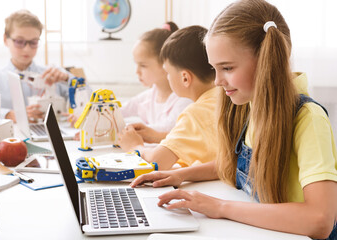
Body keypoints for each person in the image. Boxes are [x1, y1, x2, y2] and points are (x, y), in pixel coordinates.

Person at [130, 0, 337, 239]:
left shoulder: (308, 119)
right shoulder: (250, 105)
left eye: (227, 68)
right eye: (214, 69)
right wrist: (181, 175)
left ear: (267, 61)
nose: (217, 81)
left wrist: (220, 207)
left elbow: (320, 220)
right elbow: (240, 165)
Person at [118, 25, 217, 170]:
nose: (168, 78)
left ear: (185, 78)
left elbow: (157, 162)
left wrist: (134, 146)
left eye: (168, 72)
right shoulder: (221, 99)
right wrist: (156, 135)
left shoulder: (195, 113)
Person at [0, 10, 74, 122]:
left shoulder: (54, 74)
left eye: (33, 42)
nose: (27, 49)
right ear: (5, 40)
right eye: (19, 41)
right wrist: (7, 115)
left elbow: (91, 100)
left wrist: (67, 78)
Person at [120, 22, 193, 143]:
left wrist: (124, 130)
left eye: (143, 65)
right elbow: (120, 109)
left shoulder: (184, 100)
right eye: (136, 64)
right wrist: (85, 117)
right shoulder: (150, 95)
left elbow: (166, 129)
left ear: (166, 64)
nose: (137, 71)